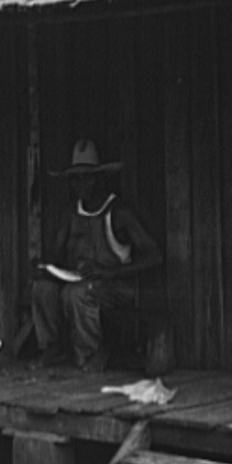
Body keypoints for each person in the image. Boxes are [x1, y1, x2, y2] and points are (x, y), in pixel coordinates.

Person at [29, 139, 162, 374]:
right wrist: (45, 269)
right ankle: (53, 347)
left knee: (77, 293)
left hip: (118, 286)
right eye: (76, 178)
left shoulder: (119, 212)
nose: (81, 184)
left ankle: (90, 353)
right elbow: (55, 256)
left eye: (87, 177)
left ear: (100, 178)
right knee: (43, 288)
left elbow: (154, 256)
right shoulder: (70, 213)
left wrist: (111, 271)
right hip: (81, 281)